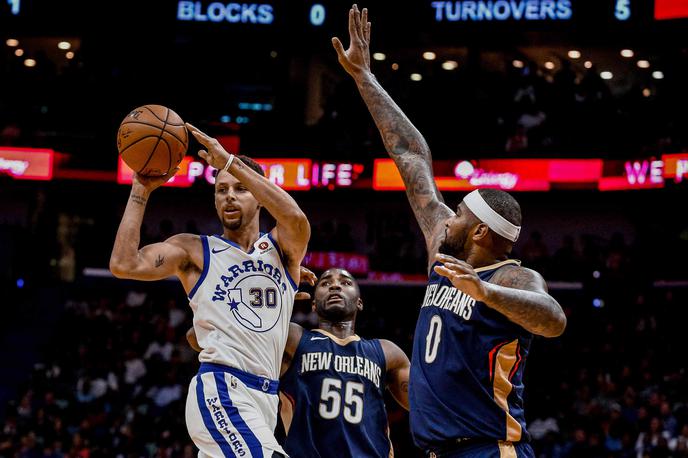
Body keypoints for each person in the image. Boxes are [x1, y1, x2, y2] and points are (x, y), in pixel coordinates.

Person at [332, 5, 567, 458]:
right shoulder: (443, 248)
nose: (446, 216)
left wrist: (485, 293)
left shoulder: (510, 278)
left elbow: (553, 318)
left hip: (490, 448)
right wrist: (364, 76)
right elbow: (411, 155)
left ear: (479, 233)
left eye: (458, 212)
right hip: (439, 449)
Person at [110, 122, 310, 457]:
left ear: (259, 197)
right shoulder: (195, 251)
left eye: (240, 189)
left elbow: (297, 220)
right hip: (222, 388)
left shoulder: (282, 250)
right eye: (221, 190)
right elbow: (124, 264)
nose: (229, 195)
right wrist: (140, 191)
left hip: (265, 400)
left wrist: (230, 163)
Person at [188, 267, 411, 457]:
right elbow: (199, 337)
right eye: (325, 283)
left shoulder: (386, 352)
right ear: (313, 305)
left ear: (359, 301)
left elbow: (427, 405)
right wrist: (265, 308)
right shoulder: (291, 338)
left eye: (345, 282)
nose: (335, 286)